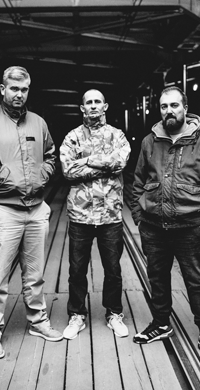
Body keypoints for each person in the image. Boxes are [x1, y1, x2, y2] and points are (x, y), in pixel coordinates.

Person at [0, 66, 62, 360]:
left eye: (24, 89)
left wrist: (44, 174)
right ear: (2, 89)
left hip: (35, 209)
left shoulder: (38, 123)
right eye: (14, 88)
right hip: (3, 209)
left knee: (35, 274)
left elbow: (51, 155)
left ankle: (38, 322)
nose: (19, 94)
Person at [130, 86, 200, 365]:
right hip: (153, 226)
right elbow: (137, 182)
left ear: (185, 108)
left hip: (190, 227)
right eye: (164, 107)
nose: (169, 111)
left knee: (196, 282)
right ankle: (161, 323)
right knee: (157, 278)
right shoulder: (150, 142)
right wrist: (139, 218)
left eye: (174, 105)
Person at [59, 89, 131, 340]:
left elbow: (120, 162)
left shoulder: (117, 135)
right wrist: (104, 164)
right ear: (82, 108)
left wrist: (87, 161)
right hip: (81, 214)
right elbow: (68, 171)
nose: (93, 106)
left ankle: (114, 313)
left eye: (97, 102)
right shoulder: (72, 137)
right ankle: (76, 315)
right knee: (77, 269)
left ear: (105, 106)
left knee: (113, 269)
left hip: (110, 214)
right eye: (88, 102)